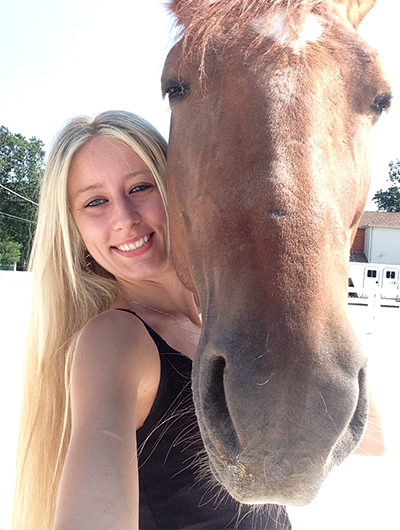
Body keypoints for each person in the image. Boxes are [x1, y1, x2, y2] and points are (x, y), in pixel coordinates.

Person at [11, 110, 292, 530]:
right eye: (95, 202)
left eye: (140, 187)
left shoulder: (226, 323)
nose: (124, 217)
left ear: (176, 190)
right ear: (76, 231)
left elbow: (371, 436)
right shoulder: (114, 339)